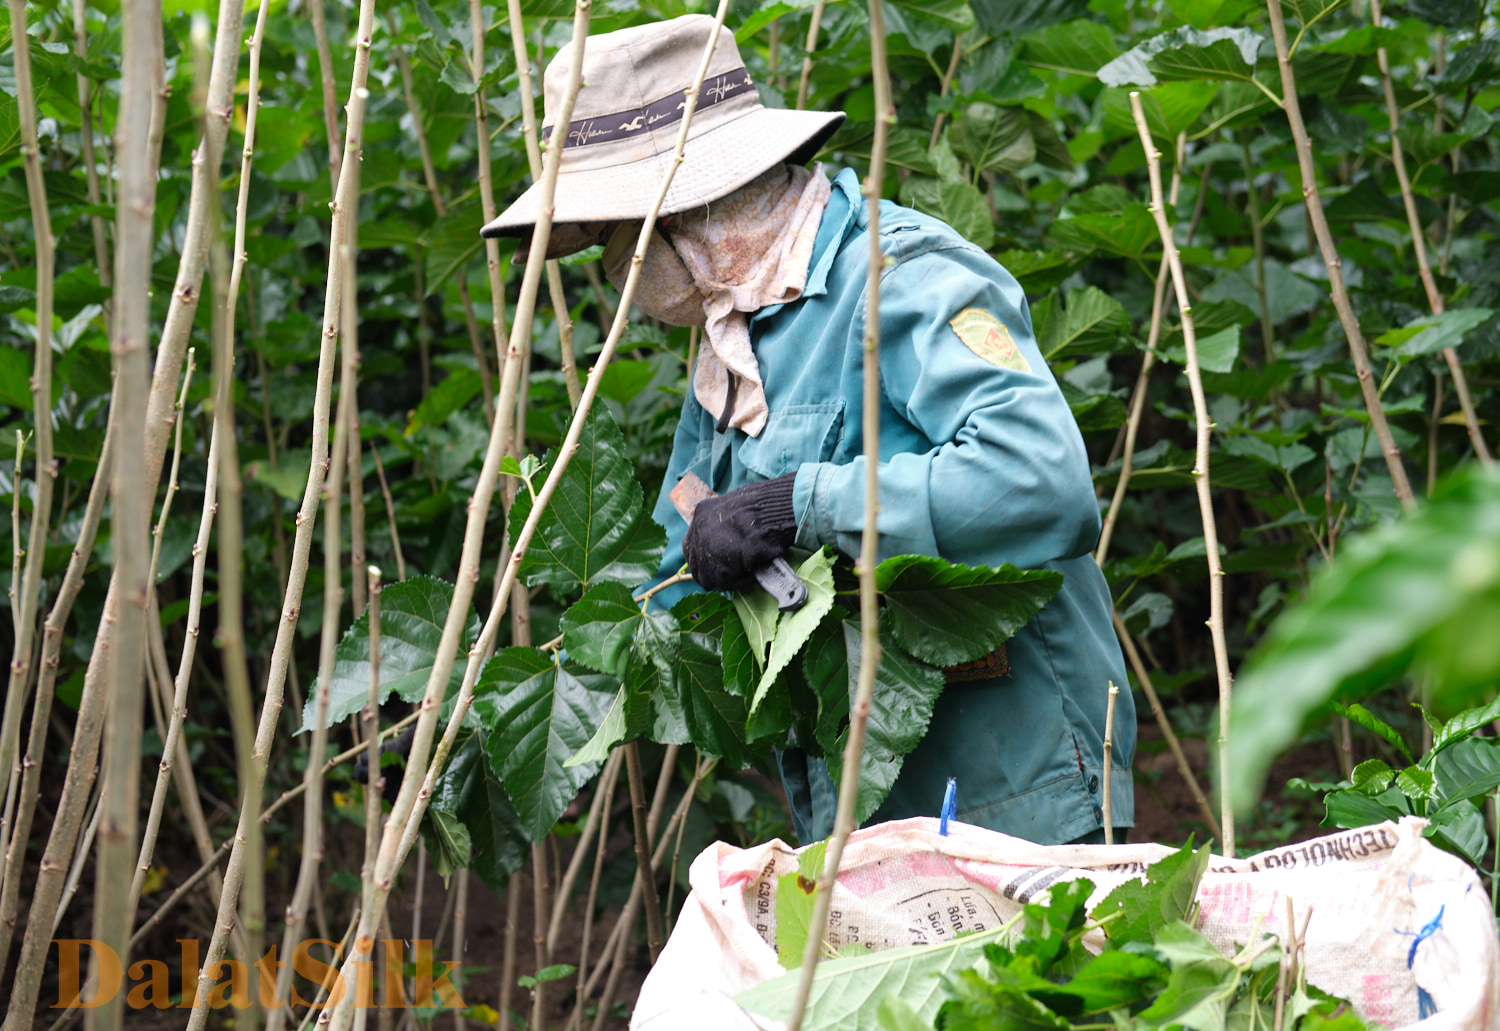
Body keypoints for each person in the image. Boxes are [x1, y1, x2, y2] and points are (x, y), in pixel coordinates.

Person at [482, 14, 1135, 846]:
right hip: (863, 807)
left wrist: (798, 501)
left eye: (614, 238)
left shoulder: (902, 279)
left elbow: (1042, 480)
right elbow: (688, 561)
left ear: (683, 214)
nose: (616, 271)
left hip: (1012, 792)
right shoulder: (736, 340)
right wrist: (538, 687)